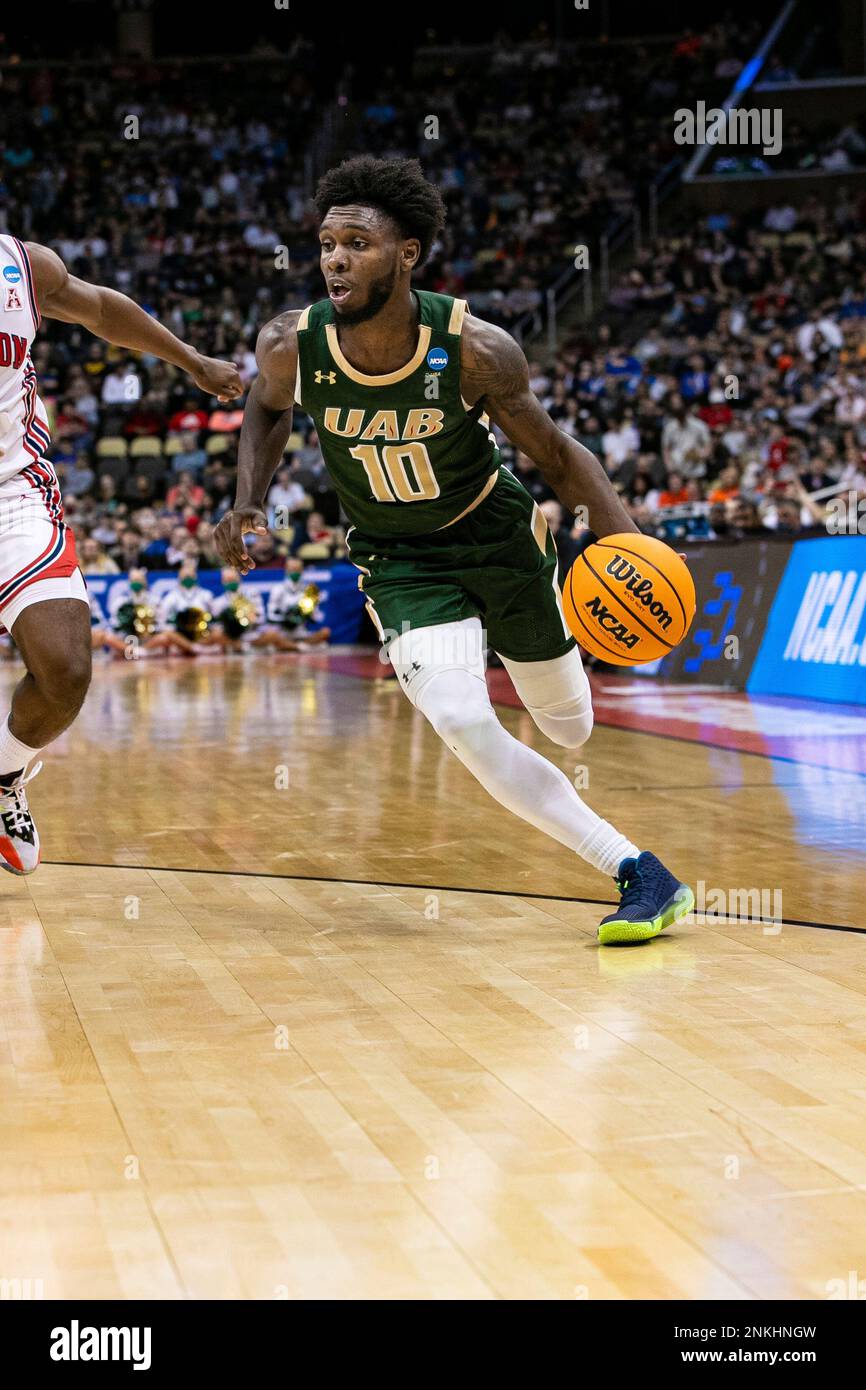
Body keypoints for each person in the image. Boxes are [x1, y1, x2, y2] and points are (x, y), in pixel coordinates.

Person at [215, 156, 693, 945]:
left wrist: (628, 543)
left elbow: (558, 453)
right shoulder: (288, 347)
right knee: (464, 721)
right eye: (328, 242)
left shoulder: (476, 349)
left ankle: (555, 674)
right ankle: (639, 871)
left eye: (357, 242)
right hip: (401, 560)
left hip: (497, 536)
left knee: (569, 728)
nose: (335, 258)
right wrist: (248, 502)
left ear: (407, 254)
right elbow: (267, 413)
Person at [0, 234, 241, 871]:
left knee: (67, 672)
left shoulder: (21, 264)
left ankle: (2, 775)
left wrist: (190, 360)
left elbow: (101, 310)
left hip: (11, 493)